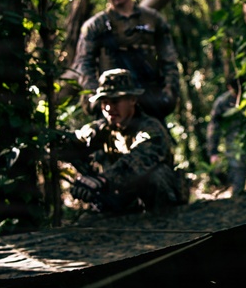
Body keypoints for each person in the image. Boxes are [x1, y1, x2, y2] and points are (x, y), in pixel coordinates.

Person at [66, 68, 186, 213]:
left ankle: (165, 223)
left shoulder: (150, 128)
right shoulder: (102, 128)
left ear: (132, 100)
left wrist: (102, 180)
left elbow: (138, 160)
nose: (109, 108)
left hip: (155, 204)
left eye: (116, 101)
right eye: (104, 102)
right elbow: (74, 140)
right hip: (121, 201)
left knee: (156, 175)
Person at [72, 0, 180, 120]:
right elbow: (83, 65)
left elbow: (169, 59)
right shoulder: (96, 26)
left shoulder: (153, 20)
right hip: (113, 106)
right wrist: (97, 97)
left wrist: (169, 93)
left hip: (150, 101)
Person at [206, 78, 246, 196]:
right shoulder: (222, 102)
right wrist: (213, 152)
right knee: (238, 184)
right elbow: (214, 128)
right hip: (234, 148)